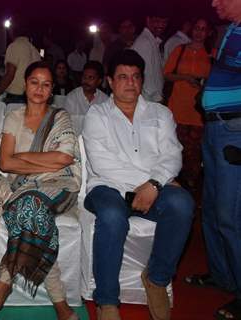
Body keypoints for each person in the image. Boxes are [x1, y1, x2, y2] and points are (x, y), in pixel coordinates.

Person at [82, 50, 194, 320]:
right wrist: (153, 182)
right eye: (122, 77)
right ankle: (107, 300)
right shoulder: (97, 115)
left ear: (142, 80)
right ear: (109, 81)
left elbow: (172, 154)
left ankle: (156, 279)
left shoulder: (160, 113)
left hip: (154, 187)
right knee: (111, 216)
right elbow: (103, 163)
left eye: (135, 77)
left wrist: (155, 184)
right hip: (107, 187)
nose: (130, 82)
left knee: (183, 204)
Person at [0, 61, 81, 320]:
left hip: (60, 185)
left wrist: (23, 158)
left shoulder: (61, 117)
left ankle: (6, 278)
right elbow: (4, 163)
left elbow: (64, 159)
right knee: (32, 210)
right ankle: (59, 299)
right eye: (34, 82)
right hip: (23, 188)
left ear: (52, 90)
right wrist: (46, 158)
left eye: (46, 84)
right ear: (25, 86)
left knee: (28, 206)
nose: (39, 88)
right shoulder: (13, 117)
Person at [185, 1, 241, 319]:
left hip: (235, 131)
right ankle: (222, 276)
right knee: (210, 211)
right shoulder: (232, 29)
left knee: (231, 217)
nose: (214, 3)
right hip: (215, 128)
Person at [163, 18, 214, 202]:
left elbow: (216, 80)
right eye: (197, 28)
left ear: (208, 32)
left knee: (194, 156)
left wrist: (203, 81)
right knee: (174, 151)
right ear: (192, 30)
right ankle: (173, 191)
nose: (199, 32)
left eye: (203, 29)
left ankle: (190, 195)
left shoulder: (211, 53)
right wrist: (185, 77)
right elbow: (167, 74)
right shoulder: (180, 49)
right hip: (177, 109)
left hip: (198, 112)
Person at [0, 23, 41, 103]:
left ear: (12, 30)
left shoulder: (14, 46)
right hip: (31, 98)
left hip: (16, 97)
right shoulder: (35, 50)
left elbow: (9, 75)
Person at [132, 11, 169, 102]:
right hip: (149, 99)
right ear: (148, 20)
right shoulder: (145, 42)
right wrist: (157, 99)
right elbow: (147, 76)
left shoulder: (152, 41)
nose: (161, 25)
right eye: (157, 21)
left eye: (164, 22)